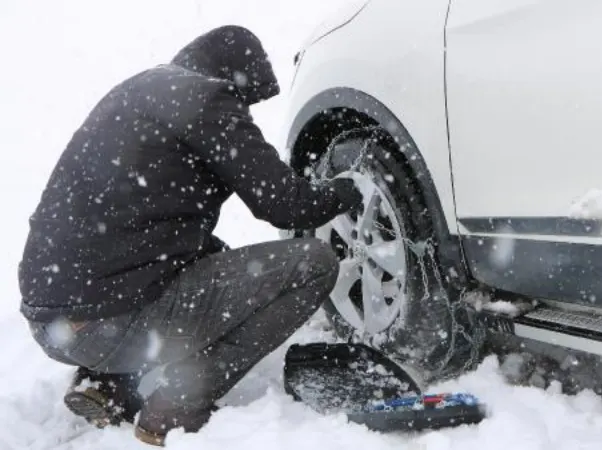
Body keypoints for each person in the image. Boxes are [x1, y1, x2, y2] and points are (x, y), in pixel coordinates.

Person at [17, 25, 362, 446]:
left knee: (197, 271)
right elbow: (285, 204)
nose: (246, 113)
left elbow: (149, 229)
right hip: (109, 320)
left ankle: (108, 386)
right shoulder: (208, 99)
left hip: (52, 322)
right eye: (247, 99)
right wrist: (347, 189)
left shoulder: (139, 95)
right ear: (233, 75)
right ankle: (175, 408)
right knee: (312, 265)